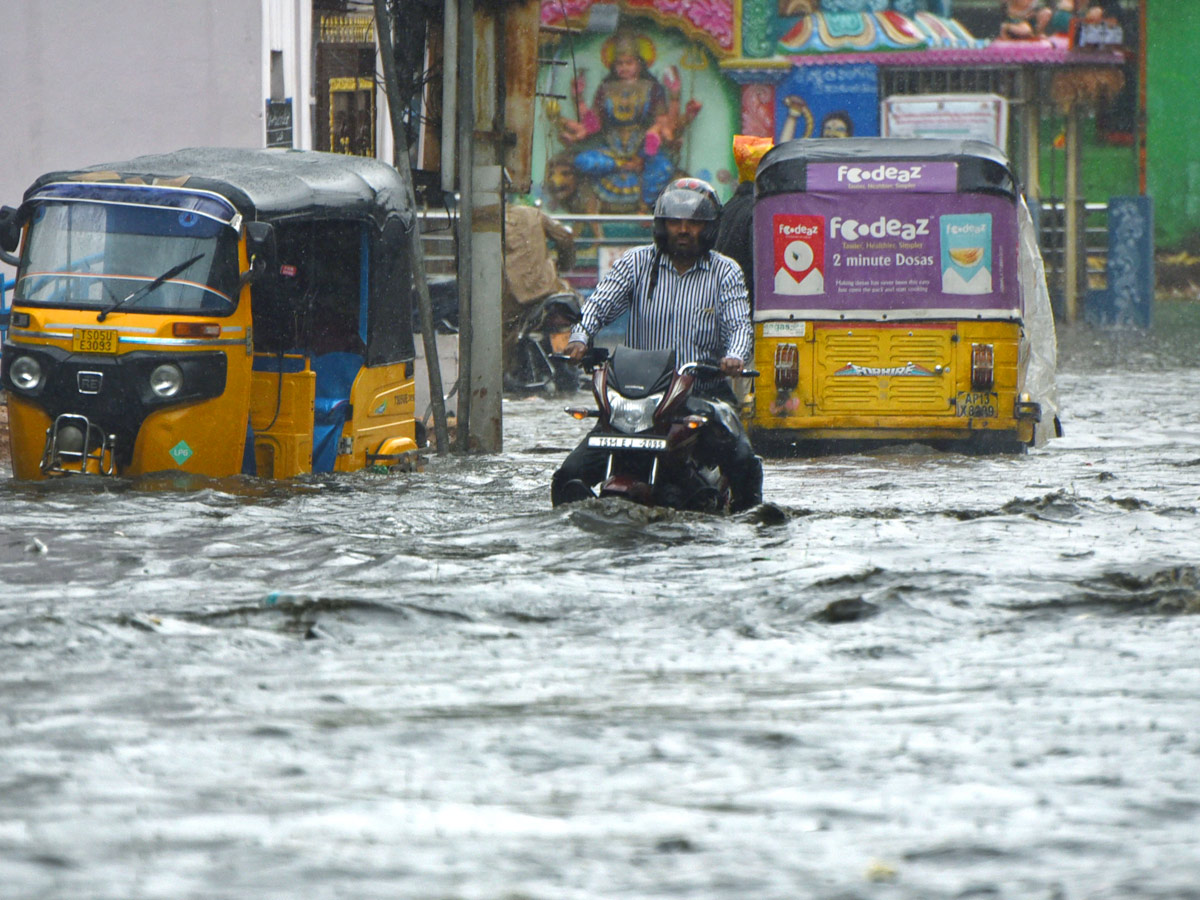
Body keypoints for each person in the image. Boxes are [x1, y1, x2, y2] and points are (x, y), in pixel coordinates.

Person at [552, 177, 763, 511]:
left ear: (709, 228)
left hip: (703, 394)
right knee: (568, 474)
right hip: (636, 401)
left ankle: (752, 519)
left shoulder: (725, 271)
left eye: (693, 223)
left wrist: (735, 356)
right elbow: (600, 303)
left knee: (742, 459)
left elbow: (739, 324)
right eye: (674, 222)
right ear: (661, 225)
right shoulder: (636, 263)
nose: (683, 229)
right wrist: (580, 338)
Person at [502, 199, 576, 373]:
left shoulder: (483, 223)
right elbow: (565, 235)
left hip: (512, 295)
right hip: (549, 288)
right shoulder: (532, 213)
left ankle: (504, 374)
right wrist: (564, 265)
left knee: (500, 333)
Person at [715, 135, 773, 307]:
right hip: (748, 306)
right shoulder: (759, 210)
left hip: (727, 302)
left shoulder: (730, 206)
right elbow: (760, 267)